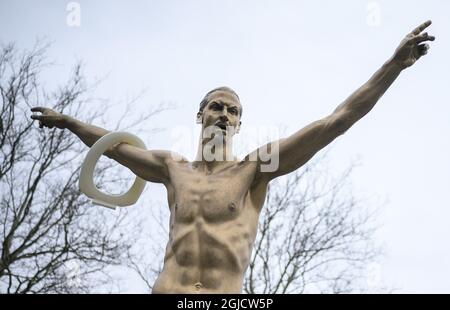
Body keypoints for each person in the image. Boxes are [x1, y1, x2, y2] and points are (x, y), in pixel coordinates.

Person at [30, 21, 435, 293]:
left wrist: (393, 66)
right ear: (200, 115)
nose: (224, 113)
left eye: (233, 110)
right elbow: (115, 147)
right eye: (216, 106)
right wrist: (68, 121)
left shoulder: (256, 168)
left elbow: (336, 121)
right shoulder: (173, 168)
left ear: (239, 124)